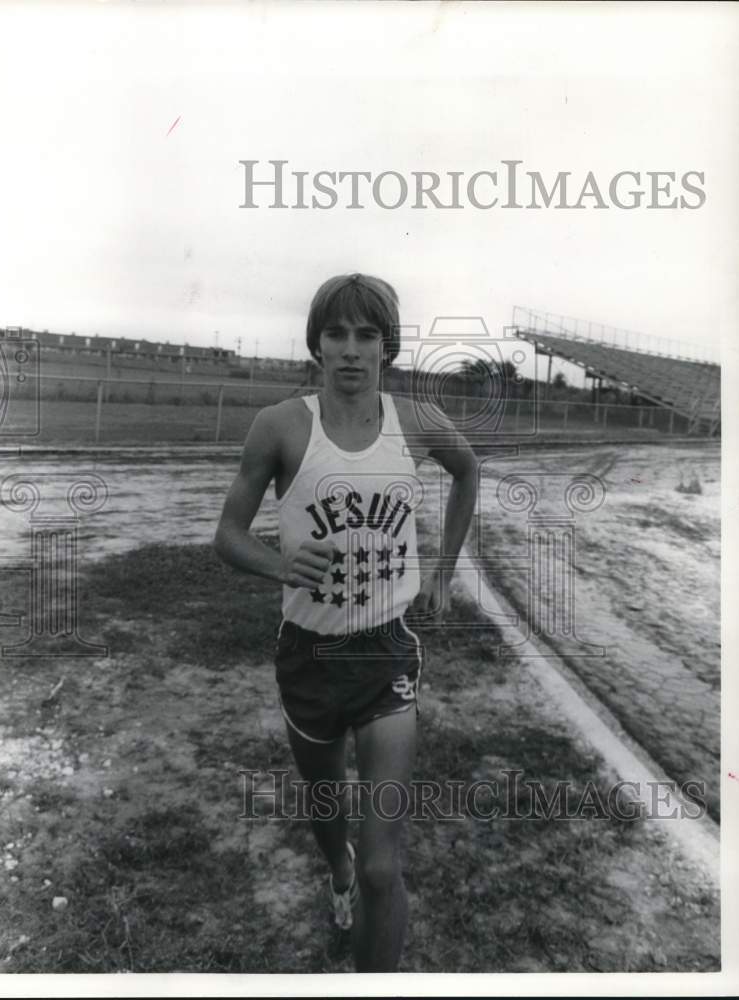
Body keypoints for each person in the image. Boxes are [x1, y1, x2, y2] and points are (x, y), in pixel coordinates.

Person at [214, 273, 477, 972]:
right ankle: (336, 870)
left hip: (387, 651)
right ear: (316, 344)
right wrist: (278, 566)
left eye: (367, 335)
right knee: (329, 813)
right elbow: (227, 535)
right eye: (337, 334)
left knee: (384, 869)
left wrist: (444, 574)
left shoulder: (416, 422)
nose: (352, 350)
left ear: (387, 347)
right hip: (308, 654)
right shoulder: (279, 425)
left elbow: (467, 470)